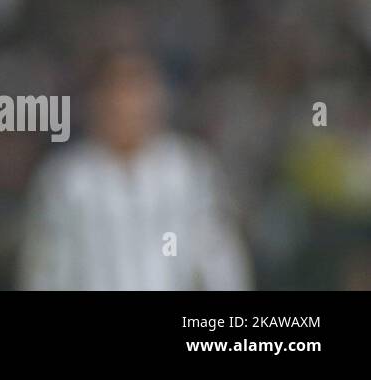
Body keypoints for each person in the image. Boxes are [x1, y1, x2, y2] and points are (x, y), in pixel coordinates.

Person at [18, 48, 249, 290]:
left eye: (137, 90)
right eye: (117, 90)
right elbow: (46, 270)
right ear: (97, 100)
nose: (127, 105)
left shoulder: (186, 169)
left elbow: (216, 257)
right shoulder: (67, 179)